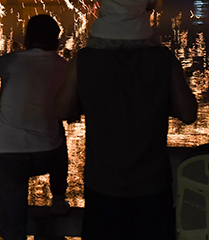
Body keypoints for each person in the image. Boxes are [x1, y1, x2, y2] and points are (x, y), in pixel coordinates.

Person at [55, 44, 197, 240]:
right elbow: (188, 114)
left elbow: (61, 111)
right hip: (152, 181)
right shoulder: (163, 58)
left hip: (102, 180)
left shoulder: (85, 58)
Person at [0, 14, 70, 240]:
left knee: (13, 226)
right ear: (56, 42)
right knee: (59, 126)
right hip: (48, 153)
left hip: (7, 154)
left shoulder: (7, 62)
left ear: (25, 39)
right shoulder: (65, 67)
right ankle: (58, 197)